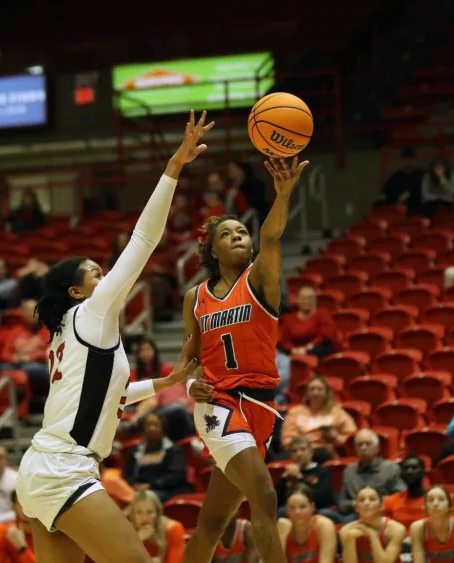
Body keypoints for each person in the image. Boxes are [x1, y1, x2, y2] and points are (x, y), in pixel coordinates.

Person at [12, 111, 211, 563]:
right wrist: (173, 168)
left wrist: (164, 383)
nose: (108, 277)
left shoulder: (69, 331)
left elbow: (108, 393)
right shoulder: (92, 311)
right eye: (97, 273)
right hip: (65, 469)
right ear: (78, 291)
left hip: (44, 468)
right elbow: (143, 239)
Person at [180, 156, 309, 563]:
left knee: (213, 521)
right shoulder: (195, 298)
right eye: (227, 234)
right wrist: (189, 386)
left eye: (242, 232)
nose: (238, 237)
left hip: (260, 407)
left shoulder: (261, 282)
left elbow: (272, 239)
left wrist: (283, 193)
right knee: (265, 495)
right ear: (212, 249)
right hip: (219, 403)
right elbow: (188, 360)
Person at [280, 375, 358, 460]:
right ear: (307, 393)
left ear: (326, 393)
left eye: (319, 389)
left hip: (325, 450)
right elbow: (287, 438)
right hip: (299, 451)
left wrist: (336, 438)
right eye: (312, 389)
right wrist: (301, 445)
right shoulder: (295, 412)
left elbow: (351, 435)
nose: (315, 393)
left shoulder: (336, 412)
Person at [338, 487, 406, 563]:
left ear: (381, 506)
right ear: (356, 507)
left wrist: (372, 535)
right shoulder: (346, 531)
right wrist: (350, 539)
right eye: (361, 500)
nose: (366, 503)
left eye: (372, 499)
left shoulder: (396, 529)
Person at [409, 486, 454, 563]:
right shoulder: (418, 528)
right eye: (431, 500)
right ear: (425, 507)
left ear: (450, 506)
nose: (435, 504)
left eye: (441, 499)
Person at [275, 485, 337, 563]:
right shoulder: (282, 527)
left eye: (303, 507)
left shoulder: (323, 525)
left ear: (312, 507)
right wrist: (282, 537)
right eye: (292, 507)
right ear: (286, 510)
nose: (297, 512)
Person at [128, 490, 186, 563]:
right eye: (139, 513)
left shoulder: (173, 529)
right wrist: (137, 540)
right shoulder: (126, 532)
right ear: (133, 514)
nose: (144, 518)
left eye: (149, 512)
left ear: (157, 514)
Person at [383, 456, 427, 528]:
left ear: (423, 472)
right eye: (406, 468)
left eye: (414, 468)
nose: (409, 471)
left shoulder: (434, 501)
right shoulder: (390, 502)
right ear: (401, 474)